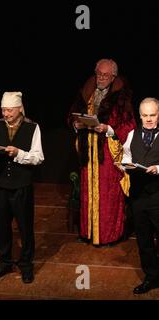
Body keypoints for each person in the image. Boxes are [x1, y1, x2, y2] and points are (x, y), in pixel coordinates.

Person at [68, 58, 136, 246]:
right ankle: (88, 232)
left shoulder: (121, 96)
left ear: (113, 76)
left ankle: (108, 235)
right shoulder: (87, 91)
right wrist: (76, 124)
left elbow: (129, 126)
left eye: (106, 75)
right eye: (99, 74)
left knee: (107, 195)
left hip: (107, 153)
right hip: (87, 152)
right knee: (87, 192)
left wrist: (109, 129)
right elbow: (73, 113)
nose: (101, 78)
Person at [0, 91, 44, 283]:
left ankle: (26, 265)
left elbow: (38, 157)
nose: (6, 114)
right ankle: (4, 262)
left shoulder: (32, 127)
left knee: (25, 227)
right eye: (3, 110)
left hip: (22, 184)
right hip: (0, 183)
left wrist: (19, 153)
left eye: (10, 110)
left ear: (19, 109)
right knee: (1, 226)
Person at [120, 97, 159, 294]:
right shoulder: (132, 134)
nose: (149, 119)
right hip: (138, 197)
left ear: (158, 115)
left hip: (157, 196)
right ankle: (151, 277)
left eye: (153, 115)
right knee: (144, 241)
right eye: (145, 115)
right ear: (140, 115)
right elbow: (126, 156)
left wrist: (158, 168)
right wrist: (126, 165)